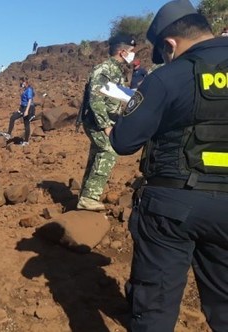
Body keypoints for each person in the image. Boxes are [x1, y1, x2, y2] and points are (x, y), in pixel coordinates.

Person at [109, 1, 228, 331]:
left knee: (155, 309)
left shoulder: (168, 77)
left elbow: (124, 141)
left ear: (169, 44)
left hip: (173, 206)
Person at [76, 34, 136, 211]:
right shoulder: (103, 69)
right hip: (96, 121)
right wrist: (106, 126)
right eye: (132, 51)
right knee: (108, 151)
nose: (133, 55)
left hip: (108, 120)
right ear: (123, 51)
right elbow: (96, 99)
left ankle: (85, 197)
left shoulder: (117, 70)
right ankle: (89, 197)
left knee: (96, 155)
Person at [7, 79, 35, 145]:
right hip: (22, 108)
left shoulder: (29, 90)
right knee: (12, 118)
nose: (21, 83)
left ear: (26, 82)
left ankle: (26, 141)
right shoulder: (25, 90)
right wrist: (20, 109)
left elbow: (30, 100)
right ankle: (8, 134)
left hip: (28, 108)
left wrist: (27, 111)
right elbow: (22, 101)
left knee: (26, 123)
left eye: (22, 82)